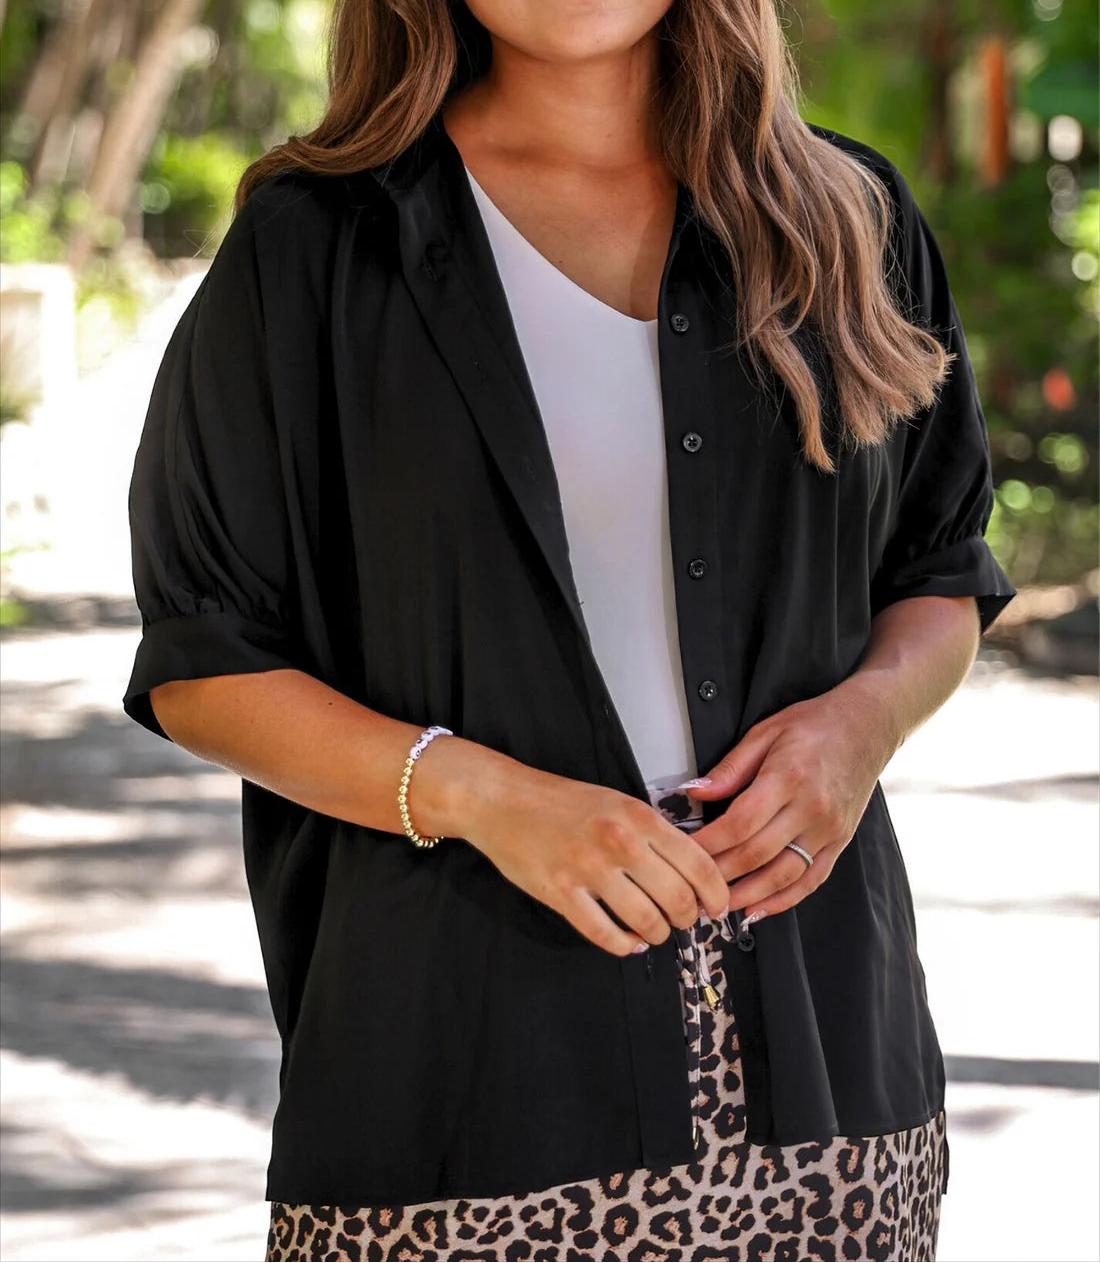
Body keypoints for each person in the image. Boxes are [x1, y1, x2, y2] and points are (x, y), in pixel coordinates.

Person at [121, 1, 1018, 1259]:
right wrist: (487, 798)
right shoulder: (312, 248)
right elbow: (204, 665)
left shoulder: (845, 218)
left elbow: (936, 568)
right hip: (462, 1103)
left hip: (830, 1083)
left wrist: (859, 727)